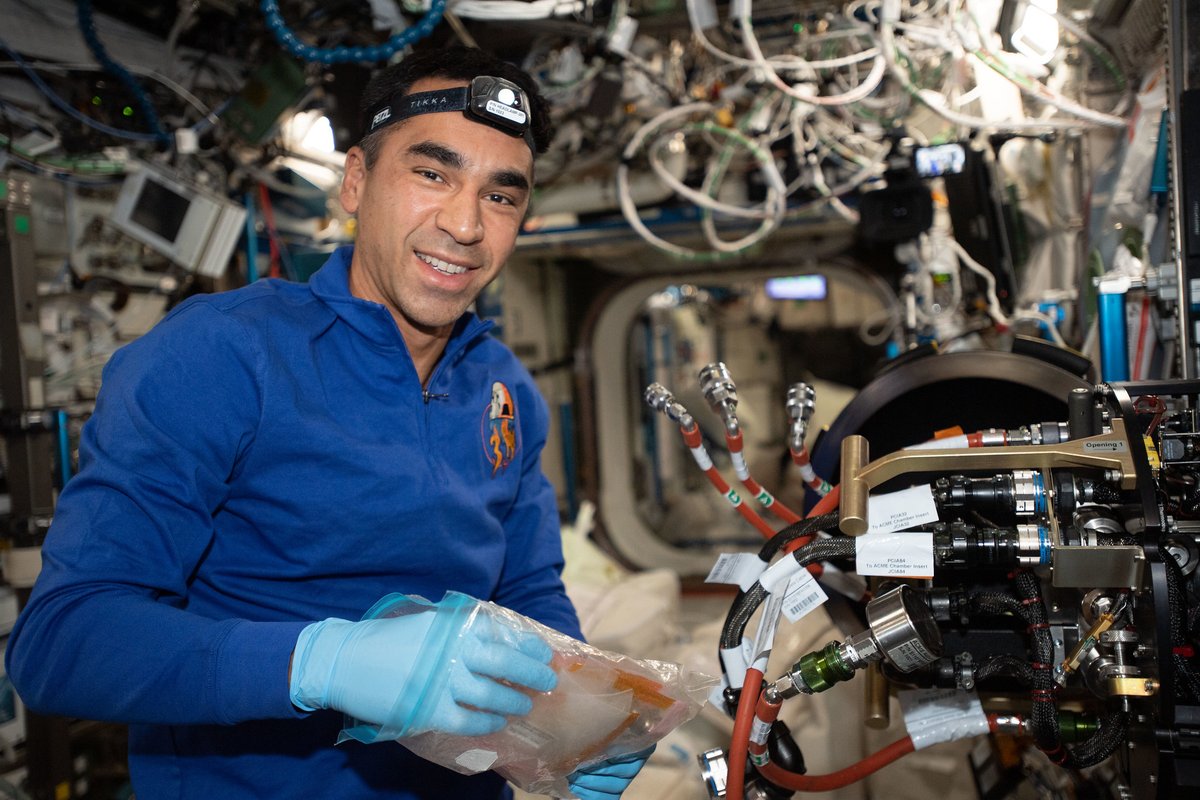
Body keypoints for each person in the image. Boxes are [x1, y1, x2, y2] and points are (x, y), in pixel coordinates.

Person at [6, 46, 650, 800]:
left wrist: (578, 717)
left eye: (501, 197)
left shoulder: (506, 391)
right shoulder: (221, 355)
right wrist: (320, 663)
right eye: (432, 174)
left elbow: (529, 590)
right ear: (355, 181)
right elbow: (62, 643)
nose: (466, 224)